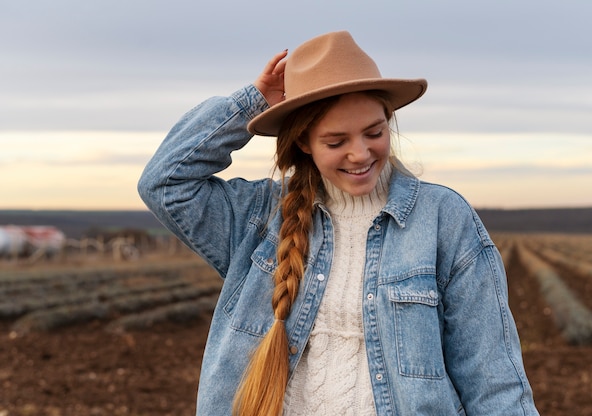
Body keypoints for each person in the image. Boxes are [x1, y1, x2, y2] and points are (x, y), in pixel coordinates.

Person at [138, 31, 539, 416]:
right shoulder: (258, 216)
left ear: (389, 121)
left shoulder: (442, 218)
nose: (360, 154)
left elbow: (493, 378)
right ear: (303, 143)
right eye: (336, 142)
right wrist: (253, 102)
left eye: (374, 132)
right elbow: (165, 183)